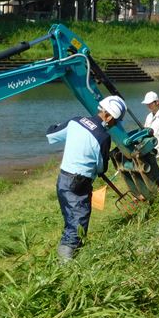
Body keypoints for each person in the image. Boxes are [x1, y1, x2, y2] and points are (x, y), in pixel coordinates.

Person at [46, 95, 126, 261]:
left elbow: (52, 135)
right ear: (108, 116)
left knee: (70, 220)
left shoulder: (76, 121)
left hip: (63, 179)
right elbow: (101, 167)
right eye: (115, 121)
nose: (114, 125)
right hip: (78, 184)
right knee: (77, 224)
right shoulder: (103, 137)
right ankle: (66, 267)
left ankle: (73, 257)